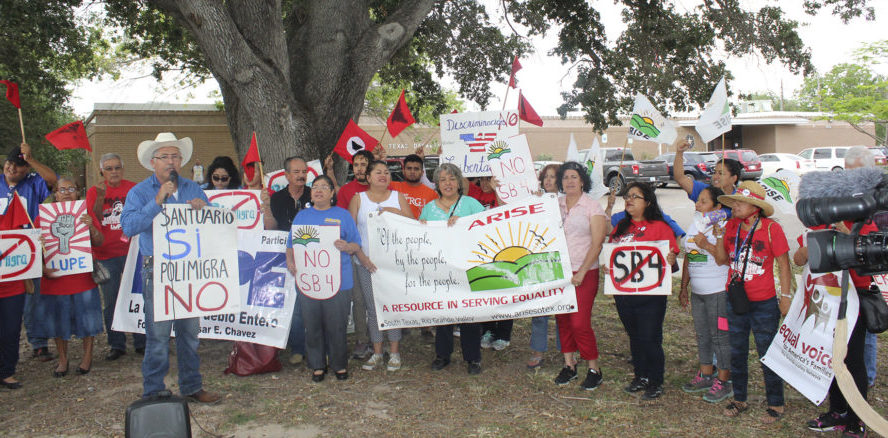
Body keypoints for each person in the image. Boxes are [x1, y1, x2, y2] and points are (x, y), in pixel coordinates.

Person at [120, 132, 220, 403]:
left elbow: (213, 228)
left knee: (189, 334)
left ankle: (192, 386)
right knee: (159, 336)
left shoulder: (192, 188)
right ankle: (153, 391)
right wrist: (157, 202)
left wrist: (205, 210)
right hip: (158, 270)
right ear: (153, 162)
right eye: (165, 157)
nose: (171, 162)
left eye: (175, 156)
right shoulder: (139, 192)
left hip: (189, 271)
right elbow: (129, 227)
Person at [800, 146, 876, 437]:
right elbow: (808, 242)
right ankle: (838, 410)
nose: (851, 176)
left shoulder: (875, 209)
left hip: (856, 294)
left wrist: (850, 237)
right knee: (831, 355)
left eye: (857, 170)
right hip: (828, 294)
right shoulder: (833, 204)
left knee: (853, 357)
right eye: (847, 168)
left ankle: (857, 418)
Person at [711, 181, 791, 423]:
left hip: (764, 302)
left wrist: (785, 297)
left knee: (767, 352)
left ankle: (776, 402)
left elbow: (784, 265)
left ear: (754, 207)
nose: (734, 205)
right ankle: (740, 398)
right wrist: (720, 236)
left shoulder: (770, 229)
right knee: (737, 351)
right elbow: (722, 260)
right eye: (733, 201)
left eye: (739, 202)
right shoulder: (732, 226)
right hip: (735, 299)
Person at [286, 175, 373, 382]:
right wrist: (290, 262)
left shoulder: (342, 216)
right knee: (313, 325)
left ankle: (339, 364)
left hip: (339, 282)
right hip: (309, 282)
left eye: (324, 187)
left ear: (332, 193)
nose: (319, 191)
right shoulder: (302, 217)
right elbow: (291, 246)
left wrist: (347, 247)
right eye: (315, 187)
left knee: (337, 326)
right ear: (311, 192)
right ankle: (317, 365)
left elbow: (356, 245)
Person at [607, 182, 679, 400]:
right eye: (627, 196)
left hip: (651, 296)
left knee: (650, 337)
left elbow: (672, 264)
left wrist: (671, 259)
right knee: (634, 336)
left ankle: (656, 380)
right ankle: (640, 376)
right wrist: (608, 265)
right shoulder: (619, 227)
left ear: (647, 202)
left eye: (635, 196)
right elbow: (613, 256)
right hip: (624, 294)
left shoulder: (661, 228)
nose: (629, 199)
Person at [34, 177, 105, 377]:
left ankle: (87, 357)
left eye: (71, 188)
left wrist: (91, 226)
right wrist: (41, 262)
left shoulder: (85, 213)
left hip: (82, 278)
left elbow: (100, 241)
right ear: (55, 194)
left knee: (88, 320)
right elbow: (33, 251)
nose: (66, 192)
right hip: (55, 280)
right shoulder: (42, 218)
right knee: (58, 321)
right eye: (61, 189)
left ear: (77, 192)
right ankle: (63, 359)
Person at [420, 163, 486, 375]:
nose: (447, 183)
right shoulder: (428, 209)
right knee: (443, 313)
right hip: (440, 269)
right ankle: (442, 354)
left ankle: (473, 357)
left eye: (451, 179)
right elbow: (421, 239)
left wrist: (465, 223)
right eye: (442, 180)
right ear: (437, 184)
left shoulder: (471, 204)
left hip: (467, 267)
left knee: (469, 313)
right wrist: (419, 227)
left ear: (459, 182)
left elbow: (485, 229)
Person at [349, 160, 413, 371]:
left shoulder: (398, 197)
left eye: (386, 172)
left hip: (392, 265)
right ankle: (377, 352)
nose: (383, 175)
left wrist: (394, 211)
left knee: (392, 306)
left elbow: (412, 224)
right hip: (365, 263)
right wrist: (362, 257)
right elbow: (351, 233)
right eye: (378, 172)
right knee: (372, 308)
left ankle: (394, 352)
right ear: (368, 177)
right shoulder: (358, 199)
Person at [551, 162, 607, 391]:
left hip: (585, 271)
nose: (570, 181)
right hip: (559, 272)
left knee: (579, 322)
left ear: (582, 180)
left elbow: (597, 242)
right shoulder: (555, 204)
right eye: (565, 177)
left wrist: (583, 270)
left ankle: (594, 369)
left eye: (574, 177)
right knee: (562, 320)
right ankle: (569, 365)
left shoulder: (592, 207)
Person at [86, 153, 144, 360]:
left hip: (133, 253)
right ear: (102, 171)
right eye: (109, 168)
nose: (114, 172)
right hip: (106, 255)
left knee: (138, 296)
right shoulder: (95, 191)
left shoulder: (134, 188)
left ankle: (141, 341)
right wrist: (100, 198)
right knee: (111, 301)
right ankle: (116, 344)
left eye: (117, 167)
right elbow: (94, 221)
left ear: (123, 169)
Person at [1, 143, 57, 361]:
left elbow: (53, 181)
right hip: (2, 254)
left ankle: (38, 342)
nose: (12, 169)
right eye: (10, 163)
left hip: (29, 251)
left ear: (26, 169)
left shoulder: (33, 182)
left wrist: (31, 159)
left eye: (19, 165)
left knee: (34, 299)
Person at [678, 186, 733, 403]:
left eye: (703, 201)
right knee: (702, 334)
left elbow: (724, 259)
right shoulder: (696, 224)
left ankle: (724, 380)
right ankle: (705, 373)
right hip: (698, 291)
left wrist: (708, 244)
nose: (698, 204)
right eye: (698, 201)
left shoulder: (723, 228)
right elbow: (689, 257)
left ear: (718, 207)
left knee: (720, 336)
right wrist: (684, 287)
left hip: (717, 290)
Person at [259, 156, 312, 365]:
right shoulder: (277, 199)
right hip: (286, 260)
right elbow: (271, 229)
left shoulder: (314, 195)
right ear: (286, 175)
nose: (301, 175)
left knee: (315, 304)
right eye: (297, 172)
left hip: (314, 258)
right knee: (295, 306)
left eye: (304, 171)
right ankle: (298, 348)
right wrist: (267, 207)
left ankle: (318, 348)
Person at [335, 149, 375, 360]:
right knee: (358, 299)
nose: (360, 168)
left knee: (378, 298)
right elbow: (343, 222)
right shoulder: (346, 191)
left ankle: (380, 338)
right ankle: (361, 339)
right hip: (353, 254)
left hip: (379, 253)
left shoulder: (381, 188)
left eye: (364, 164)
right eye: (357, 164)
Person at [527, 163, 562, 369]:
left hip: (562, 261)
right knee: (539, 310)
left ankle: (565, 348)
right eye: (546, 177)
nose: (549, 180)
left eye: (553, 177)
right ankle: (538, 350)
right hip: (539, 262)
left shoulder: (567, 202)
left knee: (563, 310)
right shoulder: (534, 201)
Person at [673, 140, 741, 204]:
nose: (715, 177)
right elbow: (680, 178)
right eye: (715, 172)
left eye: (721, 173)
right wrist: (679, 153)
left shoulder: (740, 198)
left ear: (733, 178)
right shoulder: (705, 191)